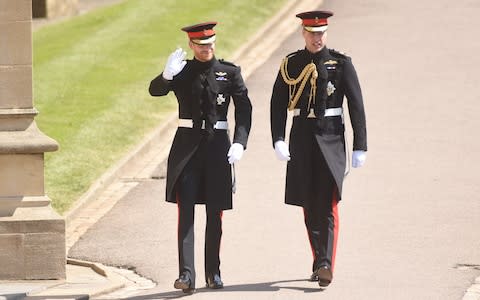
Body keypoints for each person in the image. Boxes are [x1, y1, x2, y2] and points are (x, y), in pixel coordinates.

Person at [149, 21, 252, 293]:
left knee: (215, 214)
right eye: (201, 45)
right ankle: (186, 275)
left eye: (210, 44)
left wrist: (240, 142)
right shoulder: (183, 72)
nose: (207, 49)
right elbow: (155, 90)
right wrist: (167, 76)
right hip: (187, 149)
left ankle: (213, 272)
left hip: (218, 147)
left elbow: (244, 109)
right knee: (186, 214)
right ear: (191, 46)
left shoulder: (229, 72)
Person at [270, 10, 367, 287]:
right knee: (308, 203)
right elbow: (278, 103)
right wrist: (278, 138)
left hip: (332, 137)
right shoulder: (292, 64)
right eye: (312, 33)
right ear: (304, 33)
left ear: (326, 33)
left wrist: (360, 145)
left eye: (321, 33)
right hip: (302, 136)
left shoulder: (341, 63)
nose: (317, 38)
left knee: (328, 202)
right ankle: (319, 260)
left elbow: (356, 106)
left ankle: (325, 263)